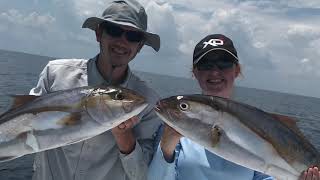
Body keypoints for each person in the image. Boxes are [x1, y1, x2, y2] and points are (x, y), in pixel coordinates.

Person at [147, 34, 320, 180]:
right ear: (195, 72)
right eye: (206, 65)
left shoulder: (258, 123)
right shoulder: (172, 127)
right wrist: (167, 146)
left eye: (223, 64)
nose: (215, 72)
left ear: (236, 71)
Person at [29, 0, 161, 180]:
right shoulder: (55, 74)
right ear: (99, 33)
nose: (122, 41)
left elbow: (142, 175)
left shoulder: (146, 102)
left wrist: (124, 136)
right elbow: (23, 128)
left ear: (139, 47)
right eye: (114, 30)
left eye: (133, 37)